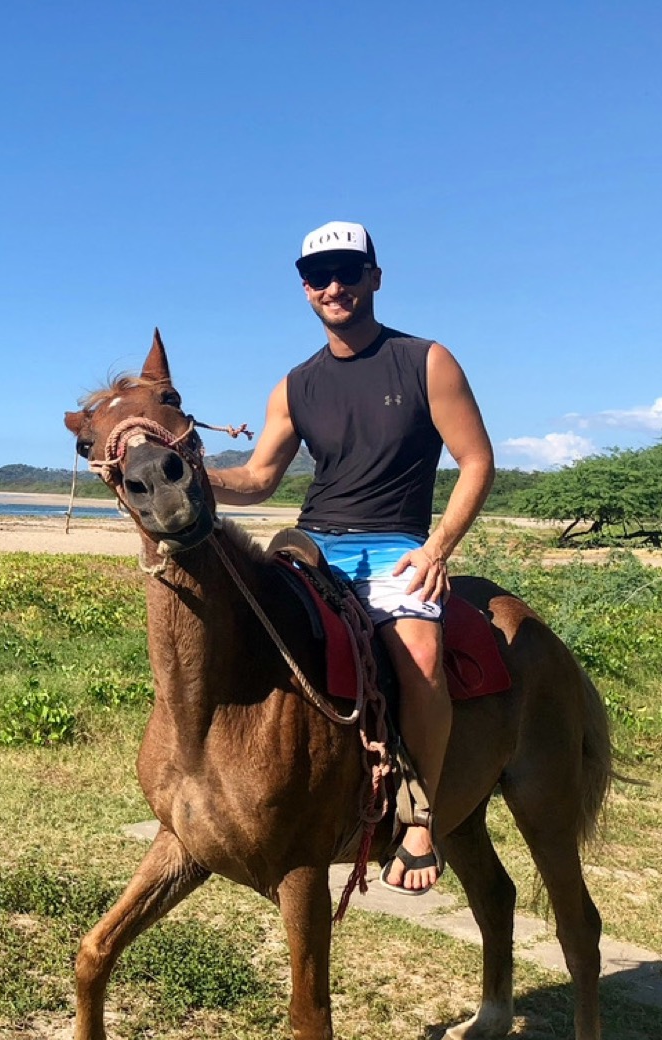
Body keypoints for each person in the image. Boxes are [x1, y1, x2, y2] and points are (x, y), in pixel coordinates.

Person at [207, 220, 495, 894]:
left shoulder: (426, 360)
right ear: (305, 289)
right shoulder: (295, 385)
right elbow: (258, 479)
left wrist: (438, 548)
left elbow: (477, 460)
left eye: (347, 272)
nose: (333, 286)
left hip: (395, 546)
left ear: (375, 277)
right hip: (313, 543)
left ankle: (419, 815)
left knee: (420, 655)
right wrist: (186, 472)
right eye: (317, 276)